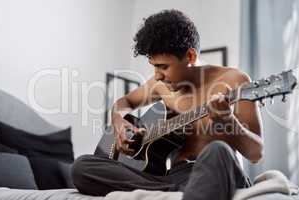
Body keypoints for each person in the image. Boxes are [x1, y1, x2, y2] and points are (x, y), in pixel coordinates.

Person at [72, 9, 263, 200]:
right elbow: (125, 102)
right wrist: (118, 121)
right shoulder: (161, 85)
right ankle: (178, 195)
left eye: (163, 67)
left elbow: (255, 153)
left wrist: (227, 119)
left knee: (218, 150)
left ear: (190, 56)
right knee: (82, 167)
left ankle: (175, 194)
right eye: (154, 66)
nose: (157, 75)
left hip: (216, 171)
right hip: (173, 178)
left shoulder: (234, 81)